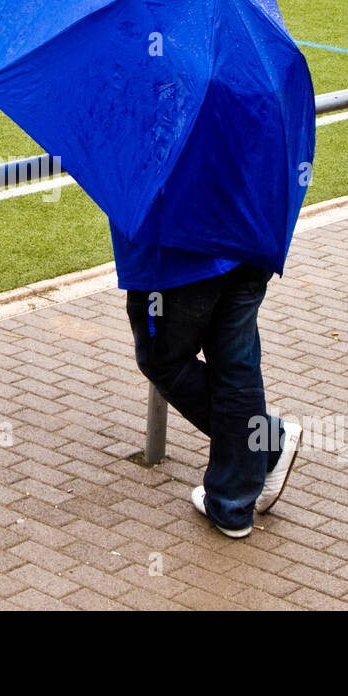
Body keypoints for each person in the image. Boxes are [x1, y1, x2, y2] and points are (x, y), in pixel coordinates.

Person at [116, 221, 302, 539]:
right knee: (235, 365)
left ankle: (266, 446)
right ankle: (233, 499)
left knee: (162, 358)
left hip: (182, 250)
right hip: (250, 233)